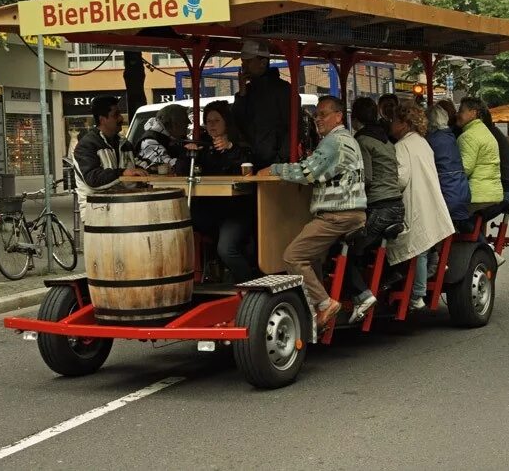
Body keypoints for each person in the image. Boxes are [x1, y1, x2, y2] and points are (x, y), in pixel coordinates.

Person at [257, 96, 366, 329]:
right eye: (316, 115)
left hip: (338, 214)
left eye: (323, 114)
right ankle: (315, 306)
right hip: (351, 212)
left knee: (293, 257)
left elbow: (307, 172)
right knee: (312, 256)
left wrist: (274, 169)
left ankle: (325, 304)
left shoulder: (332, 142)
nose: (318, 119)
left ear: (338, 116)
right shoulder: (348, 140)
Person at [386, 101, 455, 309]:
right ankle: (429, 277)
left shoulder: (402, 147)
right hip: (430, 199)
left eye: (394, 121)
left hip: (415, 201)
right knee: (426, 243)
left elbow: (400, 179)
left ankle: (418, 294)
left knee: (417, 247)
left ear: (404, 124)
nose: (391, 125)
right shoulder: (422, 142)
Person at [178, 100, 255, 282]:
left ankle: (251, 284)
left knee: (226, 249)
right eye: (208, 121)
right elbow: (182, 170)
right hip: (209, 211)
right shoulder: (204, 147)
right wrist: (188, 154)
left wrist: (229, 149)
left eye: (216, 121)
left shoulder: (241, 147)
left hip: (236, 211)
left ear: (227, 122)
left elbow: (247, 168)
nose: (211, 125)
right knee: (178, 230)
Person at [345, 97, 404, 324]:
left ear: (355, 118)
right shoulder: (386, 140)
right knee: (367, 245)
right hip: (397, 205)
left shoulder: (362, 141)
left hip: (380, 207)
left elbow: (366, 177)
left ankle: (362, 293)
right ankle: (388, 273)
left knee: (347, 249)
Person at [73, 95, 148, 222]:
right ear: (102, 119)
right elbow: (93, 178)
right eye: (116, 114)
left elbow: (136, 165)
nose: (121, 118)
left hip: (123, 209)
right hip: (98, 213)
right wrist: (122, 173)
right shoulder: (86, 146)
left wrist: (151, 168)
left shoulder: (124, 143)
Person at [232, 40, 292, 169]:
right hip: (250, 160)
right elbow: (237, 121)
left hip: (274, 162)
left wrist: (281, 159)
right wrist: (242, 93)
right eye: (243, 62)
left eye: (248, 62)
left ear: (263, 63)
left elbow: (292, 126)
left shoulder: (282, 89)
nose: (244, 67)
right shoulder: (248, 90)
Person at [456, 97, 504, 212]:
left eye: (461, 111)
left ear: (473, 113)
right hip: (493, 193)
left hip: (477, 195)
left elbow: (465, 169)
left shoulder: (468, 136)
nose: (457, 114)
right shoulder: (485, 132)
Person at [426, 104, 471, 223]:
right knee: (463, 224)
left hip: (447, 195)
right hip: (462, 192)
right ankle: (482, 241)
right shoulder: (451, 136)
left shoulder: (431, 140)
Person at [479, 107, 509, 207]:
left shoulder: (484, 135)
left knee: (462, 214)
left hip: (507, 189)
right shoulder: (494, 131)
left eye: (461, 110)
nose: (458, 115)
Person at [135, 104, 188, 172]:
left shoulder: (174, 138)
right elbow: (166, 166)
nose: (188, 123)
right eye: (185, 120)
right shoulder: (150, 141)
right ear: (174, 123)